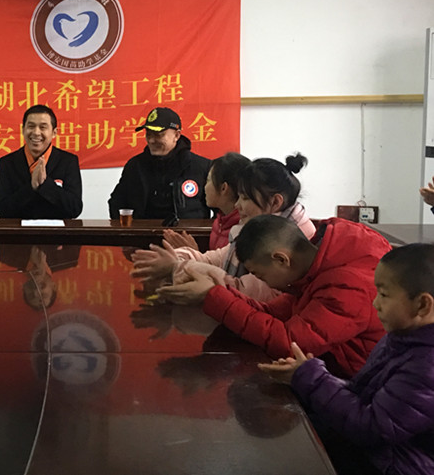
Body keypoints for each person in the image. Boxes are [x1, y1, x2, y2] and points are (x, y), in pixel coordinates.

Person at [259, 243, 434, 475]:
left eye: (383, 294)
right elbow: (363, 393)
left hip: (393, 464)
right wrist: (305, 374)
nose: (375, 303)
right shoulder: (400, 338)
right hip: (372, 449)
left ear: (422, 305)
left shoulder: (426, 366)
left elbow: (373, 428)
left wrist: (311, 378)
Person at [158, 215, 389, 378]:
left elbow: (290, 343)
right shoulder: (316, 269)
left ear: (281, 259)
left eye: (259, 274)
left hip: (357, 384)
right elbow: (271, 313)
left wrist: (214, 297)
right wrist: (216, 293)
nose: (260, 280)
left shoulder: (348, 286)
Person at [132, 153, 315, 302]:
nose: (237, 205)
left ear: (275, 202)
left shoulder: (287, 240)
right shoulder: (258, 229)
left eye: (245, 198)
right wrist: (176, 258)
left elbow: (243, 290)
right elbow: (213, 259)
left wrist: (177, 266)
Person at [108, 107, 211, 222]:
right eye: (148, 134)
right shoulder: (135, 166)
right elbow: (116, 203)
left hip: (187, 233)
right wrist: (128, 229)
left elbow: (220, 209)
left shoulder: (201, 167)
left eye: (158, 135)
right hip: (143, 232)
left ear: (176, 135)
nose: (151, 140)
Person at [0, 105, 82, 219]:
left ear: (54, 132)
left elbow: (75, 208)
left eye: (43, 127)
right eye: (31, 126)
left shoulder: (68, 162)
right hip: (19, 229)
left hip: (57, 229)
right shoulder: (8, 163)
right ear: (23, 130)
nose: (36, 132)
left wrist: (45, 184)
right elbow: (2, 210)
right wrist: (31, 187)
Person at [163, 151, 251, 251]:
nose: (204, 186)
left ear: (223, 188)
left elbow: (225, 261)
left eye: (208, 180)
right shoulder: (219, 221)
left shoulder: (244, 230)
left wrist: (195, 253)